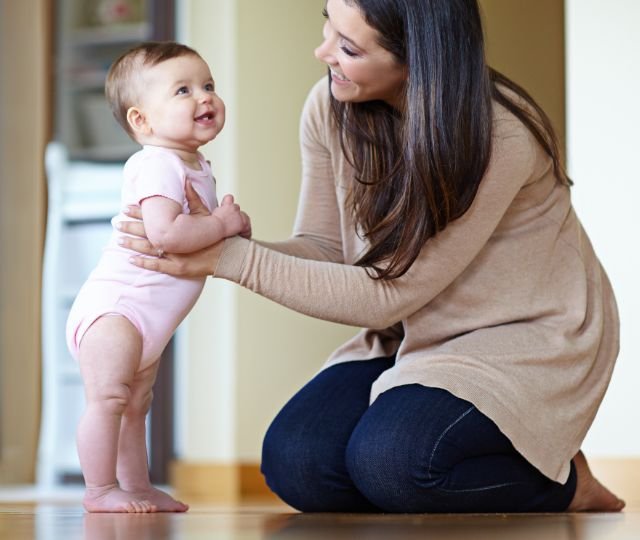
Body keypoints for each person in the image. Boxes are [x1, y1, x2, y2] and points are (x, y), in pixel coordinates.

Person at [118, 1, 625, 513]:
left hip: (523, 339)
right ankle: (442, 460)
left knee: (395, 465)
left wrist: (227, 258)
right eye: (328, 26)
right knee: (298, 464)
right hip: (414, 336)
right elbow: (326, 250)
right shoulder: (329, 105)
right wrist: (222, 250)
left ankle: (563, 482)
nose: (322, 52)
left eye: (348, 47)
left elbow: (389, 294)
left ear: (419, 61)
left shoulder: (498, 133)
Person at [66, 41, 251, 513]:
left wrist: (225, 233)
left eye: (208, 85)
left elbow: (200, 242)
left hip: (146, 318)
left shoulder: (194, 164)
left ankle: (138, 486)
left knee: (135, 407)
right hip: (117, 310)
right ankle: (99, 490)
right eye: (183, 90)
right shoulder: (156, 163)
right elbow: (166, 234)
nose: (204, 97)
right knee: (109, 399)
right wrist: (222, 226)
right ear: (141, 121)